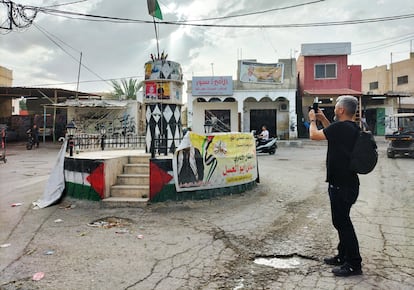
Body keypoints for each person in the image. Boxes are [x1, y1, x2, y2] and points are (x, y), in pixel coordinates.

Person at [308, 95, 363, 277]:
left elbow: (315, 136)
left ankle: (354, 263)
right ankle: (342, 255)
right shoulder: (352, 127)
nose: (333, 110)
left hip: (341, 184)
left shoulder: (341, 128)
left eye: (336, 107)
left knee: (342, 223)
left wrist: (313, 121)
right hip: (349, 183)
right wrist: (323, 119)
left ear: (341, 110)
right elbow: (333, 133)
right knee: (342, 220)